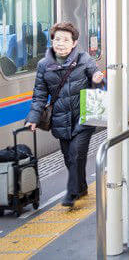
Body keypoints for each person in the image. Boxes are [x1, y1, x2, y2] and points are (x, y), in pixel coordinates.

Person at [25, 22, 105, 208]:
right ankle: (81, 187)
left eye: (65, 40)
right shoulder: (43, 65)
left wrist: (97, 79)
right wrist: (34, 118)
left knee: (76, 154)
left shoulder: (84, 59)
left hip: (83, 116)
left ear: (74, 43)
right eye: (57, 39)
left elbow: (97, 79)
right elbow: (39, 95)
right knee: (69, 158)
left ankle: (72, 192)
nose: (60, 43)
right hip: (60, 119)